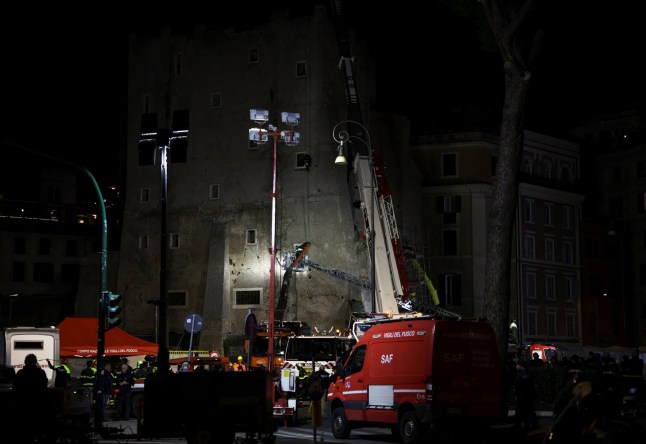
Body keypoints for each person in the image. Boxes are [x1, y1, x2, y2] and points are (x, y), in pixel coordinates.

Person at [12, 354, 49, 442]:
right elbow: (44, 386)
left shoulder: (20, 373)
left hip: (23, 404)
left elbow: (15, 388)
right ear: (35, 362)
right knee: (36, 425)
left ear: (25, 362)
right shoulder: (40, 372)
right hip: (36, 403)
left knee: (23, 426)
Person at [513, 361, 539, 431]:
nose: (516, 366)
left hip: (522, 395)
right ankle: (533, 424)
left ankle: (518, 425)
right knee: (529, 410)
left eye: (517, 365)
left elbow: (520, 385)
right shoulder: (529, 373)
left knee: (520, 411)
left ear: (521, 366)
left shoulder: (521, 374)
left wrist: (518, 393)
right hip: (527, 395)